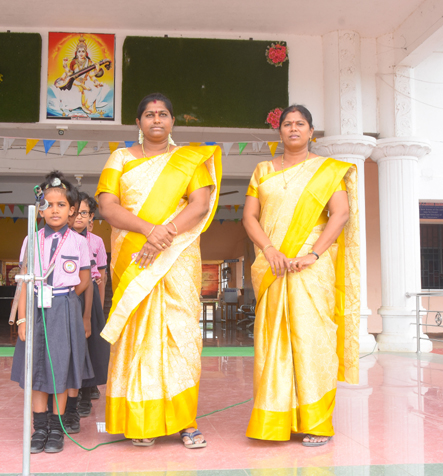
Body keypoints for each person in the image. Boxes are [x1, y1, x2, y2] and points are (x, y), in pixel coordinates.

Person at [96, 93, 222, 448]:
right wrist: (149, 231)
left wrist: (165, 234)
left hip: (177, 254)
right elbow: (107, 205)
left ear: (172, 121)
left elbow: (200, 203)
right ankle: (142, 420)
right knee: (137, 334)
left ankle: (186, 421)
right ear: (138, 122)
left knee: (180, 334)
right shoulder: (120, 158)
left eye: (163, 114)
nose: (156, 120)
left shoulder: (188, 159)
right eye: (149, 114)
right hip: (135, 256)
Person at [242, 105, 360, 447]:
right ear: (279, 131)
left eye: (300, 124)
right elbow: (250, 217)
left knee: (312, 339)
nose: (293, 128)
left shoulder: (327, 170)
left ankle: (317, 422)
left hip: (311, 266)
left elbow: (340, 213)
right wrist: (269, 250)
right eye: (288, 124)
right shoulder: (263, 170)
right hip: (273, 264)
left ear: (311, 131)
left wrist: (313, 254)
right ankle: (275, 420)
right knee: (274, 341)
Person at [10, 171, 94, 454]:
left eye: (61, 205)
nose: (54, 210)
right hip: (34, 306)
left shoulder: (79, 242)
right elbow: (24, 282)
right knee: (36, 369)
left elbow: (84, 280)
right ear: (40, 209)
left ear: (72, 210)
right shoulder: (31, 240)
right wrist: (22, 318)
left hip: (63, 307)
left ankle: (57, 428)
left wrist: (64, 299)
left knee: (59, 369)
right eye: (48, 204)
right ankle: (40, 428)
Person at [71, 192, 109, 417]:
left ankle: (86, 395)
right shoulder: (64, 238)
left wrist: (99, 308)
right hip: (68, 292)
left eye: (84, 213)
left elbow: (101, 276)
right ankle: (72, 395)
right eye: (75, 212)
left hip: (90, 295)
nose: (79, 217)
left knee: (91, 346)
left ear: (91, 216)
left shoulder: (96, 242)